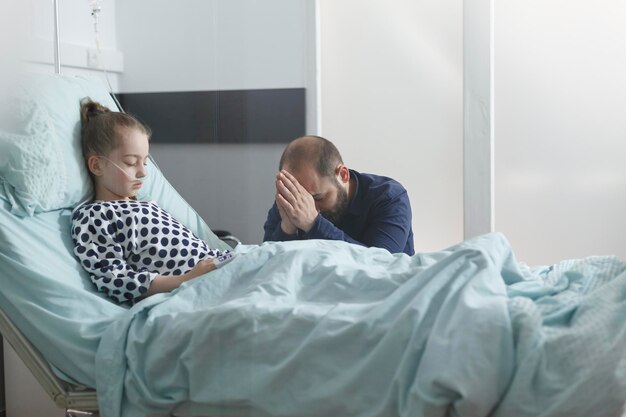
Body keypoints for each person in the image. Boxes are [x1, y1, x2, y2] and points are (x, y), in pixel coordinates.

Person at [71, 99, 230, 303]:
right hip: (196, 287)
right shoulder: (95, 216)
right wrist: (187, 279)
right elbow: (116, 280)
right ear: (97, 166)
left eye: (145, 162)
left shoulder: (146, 204)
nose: (143, 172)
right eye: (130, 163)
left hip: (222, 267)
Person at [263, 136, 414, 255]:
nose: (306, 207)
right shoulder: (294, 202)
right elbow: (266, 269)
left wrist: (313, 224)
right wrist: (287, 229)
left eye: (318, 198)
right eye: (301, 196)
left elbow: (380, 263)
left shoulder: (389, 198)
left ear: (343, 175)